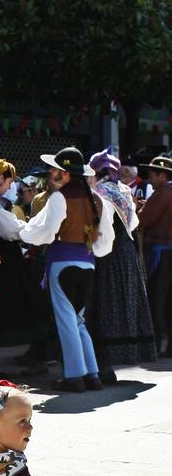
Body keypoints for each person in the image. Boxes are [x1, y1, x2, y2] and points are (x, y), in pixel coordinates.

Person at [19, 146, 115, 392]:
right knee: (78, 319)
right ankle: (91, 374)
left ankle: (74, 376)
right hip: (88, 263)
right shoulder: (98, 199)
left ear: (65, 173)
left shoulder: (60, 197)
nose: (52, 173)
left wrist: (25, 232)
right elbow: (104, 243)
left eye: (56, 169)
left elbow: (48, 232)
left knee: (67, 320)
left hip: (62, 263)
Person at [87, 149, 157, 380]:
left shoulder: (99, 193)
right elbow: (134, 221)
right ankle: (117, 358)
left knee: (107, 303)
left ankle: (104, 363)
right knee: (124, 302)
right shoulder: (124, 191)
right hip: (126, 252)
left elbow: (101, 226)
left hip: (109, 252)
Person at [0, 159, 49, 361]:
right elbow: (8, 228)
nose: (11, 186)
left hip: (4, 259)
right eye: (9, 181)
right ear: (0, 178)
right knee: (15, 306)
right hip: (4, 261)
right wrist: (33, 230)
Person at [142, 155, 172, 355]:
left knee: (158, 297)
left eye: (152, 175)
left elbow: (143, 220)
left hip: (162, 253)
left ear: (162, 175)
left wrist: (137, 209)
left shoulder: (162, 193)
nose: (149, 180)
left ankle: (158, 342)